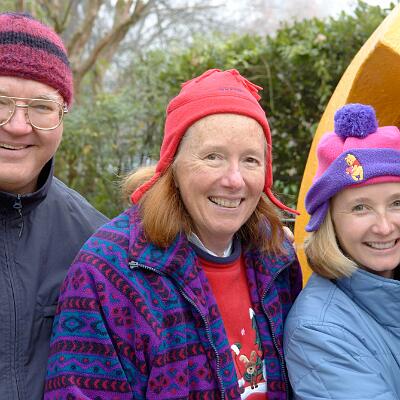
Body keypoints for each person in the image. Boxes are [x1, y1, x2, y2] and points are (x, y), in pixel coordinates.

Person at [44, 69, 302, 400]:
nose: (234, 180)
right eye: (213, 157)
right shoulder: (106, 272)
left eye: (250, 160)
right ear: (172, 164)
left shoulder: (276, 259)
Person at [0, 12, 108, 400]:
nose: (17, 125)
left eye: (41, 106)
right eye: (0, 101)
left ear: (62, 117)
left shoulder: (96, 244)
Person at [284, 103, 400, 399]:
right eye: (360, 208)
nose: (384, 227)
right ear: (329, 222)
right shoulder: (318, 332)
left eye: (396, 203)